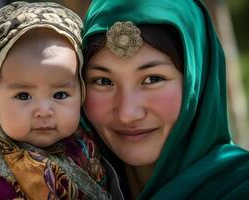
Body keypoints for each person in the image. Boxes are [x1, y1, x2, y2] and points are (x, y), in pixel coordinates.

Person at [81, 0, 249, 199]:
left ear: (199, 80)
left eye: (153, 79)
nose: (127, 114)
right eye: (103, 81)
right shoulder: (59, 183)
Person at [0, 2, 111, 199]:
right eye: (23, 96)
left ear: (81, 92)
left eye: (60, 95)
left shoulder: (90, 139)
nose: (44, 111)